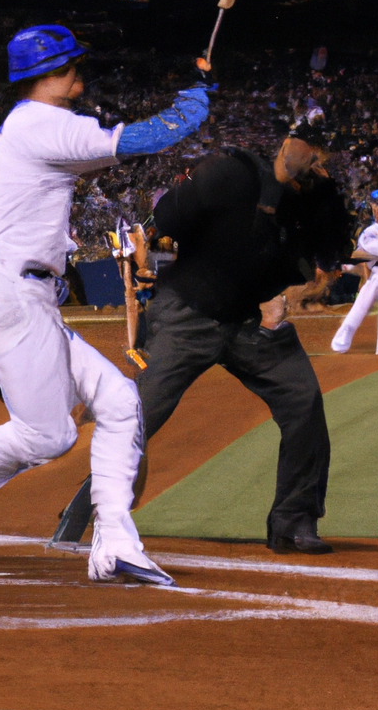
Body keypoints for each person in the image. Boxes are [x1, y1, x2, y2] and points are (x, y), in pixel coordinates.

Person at [0, 25, 213, 584]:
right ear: (51, 73)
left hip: (20, 296)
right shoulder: (43, 124)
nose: (80, 75)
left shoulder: (22, 130)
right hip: (10, 297)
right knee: (49, 436)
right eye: (72, 66)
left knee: (120, 402)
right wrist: (194, 100)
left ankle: (115, 545)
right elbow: (145, 139)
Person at [134, 130, 354, 554]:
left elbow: (319, 261)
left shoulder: (306, 208)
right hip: (188, 314)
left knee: (302, 400)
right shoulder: (232, 171)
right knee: (138, 414)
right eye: (310, 148)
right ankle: (94, 505)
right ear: (288, 144)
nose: (315, 161)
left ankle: (294, 520)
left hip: (246, 322)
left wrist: (325, 202)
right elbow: (169, 217)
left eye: (323, 156)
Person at [330, 189, 378, 356]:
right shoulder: (368, 230)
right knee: (360, 307)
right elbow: (365, 256)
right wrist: (365, 276)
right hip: (373, 269)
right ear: (373, 208)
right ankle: (341, 340)